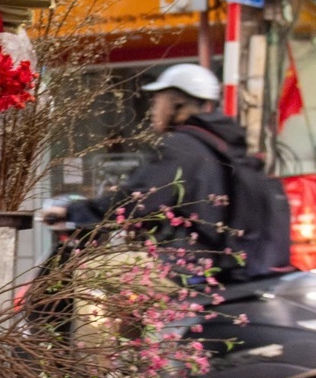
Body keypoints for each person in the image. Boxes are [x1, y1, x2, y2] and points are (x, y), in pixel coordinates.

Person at [45, 63, 241, 269]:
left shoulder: (182, 147)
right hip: (216, 263)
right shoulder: (215, 144)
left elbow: (136, 200)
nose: (153, 110)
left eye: (158, 101)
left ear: (178, 105)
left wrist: (72, 212)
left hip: (189, 266)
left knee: (89, 272)